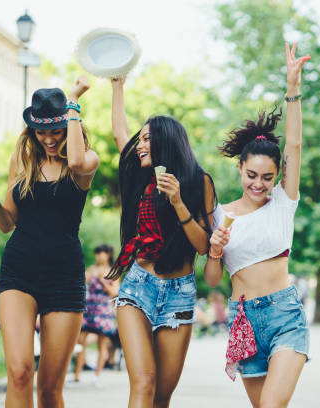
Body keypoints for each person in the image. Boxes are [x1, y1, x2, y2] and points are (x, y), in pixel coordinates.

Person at [0, 77, 99, 407]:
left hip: (64, 277)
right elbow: (6, 224)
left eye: (55, 131)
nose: (48, 139)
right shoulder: (22, 163)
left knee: (50, 388)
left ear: (68, 125)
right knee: (19, 373)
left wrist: (73, 100)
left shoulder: (86, 162)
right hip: (19, 272)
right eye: (41, 132)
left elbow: (74, 160)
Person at [204, 43, 310, 408]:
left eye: (267, 176)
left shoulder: (283, 202)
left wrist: (292, 89)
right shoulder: (220, 215)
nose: (259, 184)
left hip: (284, 315)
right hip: (243, 319)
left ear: (277, 176)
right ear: (240, 169)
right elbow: (213, 280)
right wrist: (215, 251)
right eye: (252, 175)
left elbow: (294, 145)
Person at [109, 76, 216, 407]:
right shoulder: (140, 177)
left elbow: (203, 246)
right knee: (143, 383)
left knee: (161, 397)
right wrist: (117, 86)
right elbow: (119, 135)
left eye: (146, 140)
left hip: (179, 296)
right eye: (139, 140)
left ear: (166, 142)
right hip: (138, 288)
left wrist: (179, 202)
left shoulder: (200, 182)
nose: (139, 146)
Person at [73, 244, 119, 386]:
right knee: (80, 341)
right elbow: (79, 283)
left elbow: (114, 292)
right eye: (97, 253)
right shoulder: (91, 269)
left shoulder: (113, 271)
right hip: (89, 308)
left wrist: (101, 281)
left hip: (103, 310)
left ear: (109, 255)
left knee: (102, 343)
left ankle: (97, 376)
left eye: (102, 253)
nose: (99, 256)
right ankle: (76, 376)